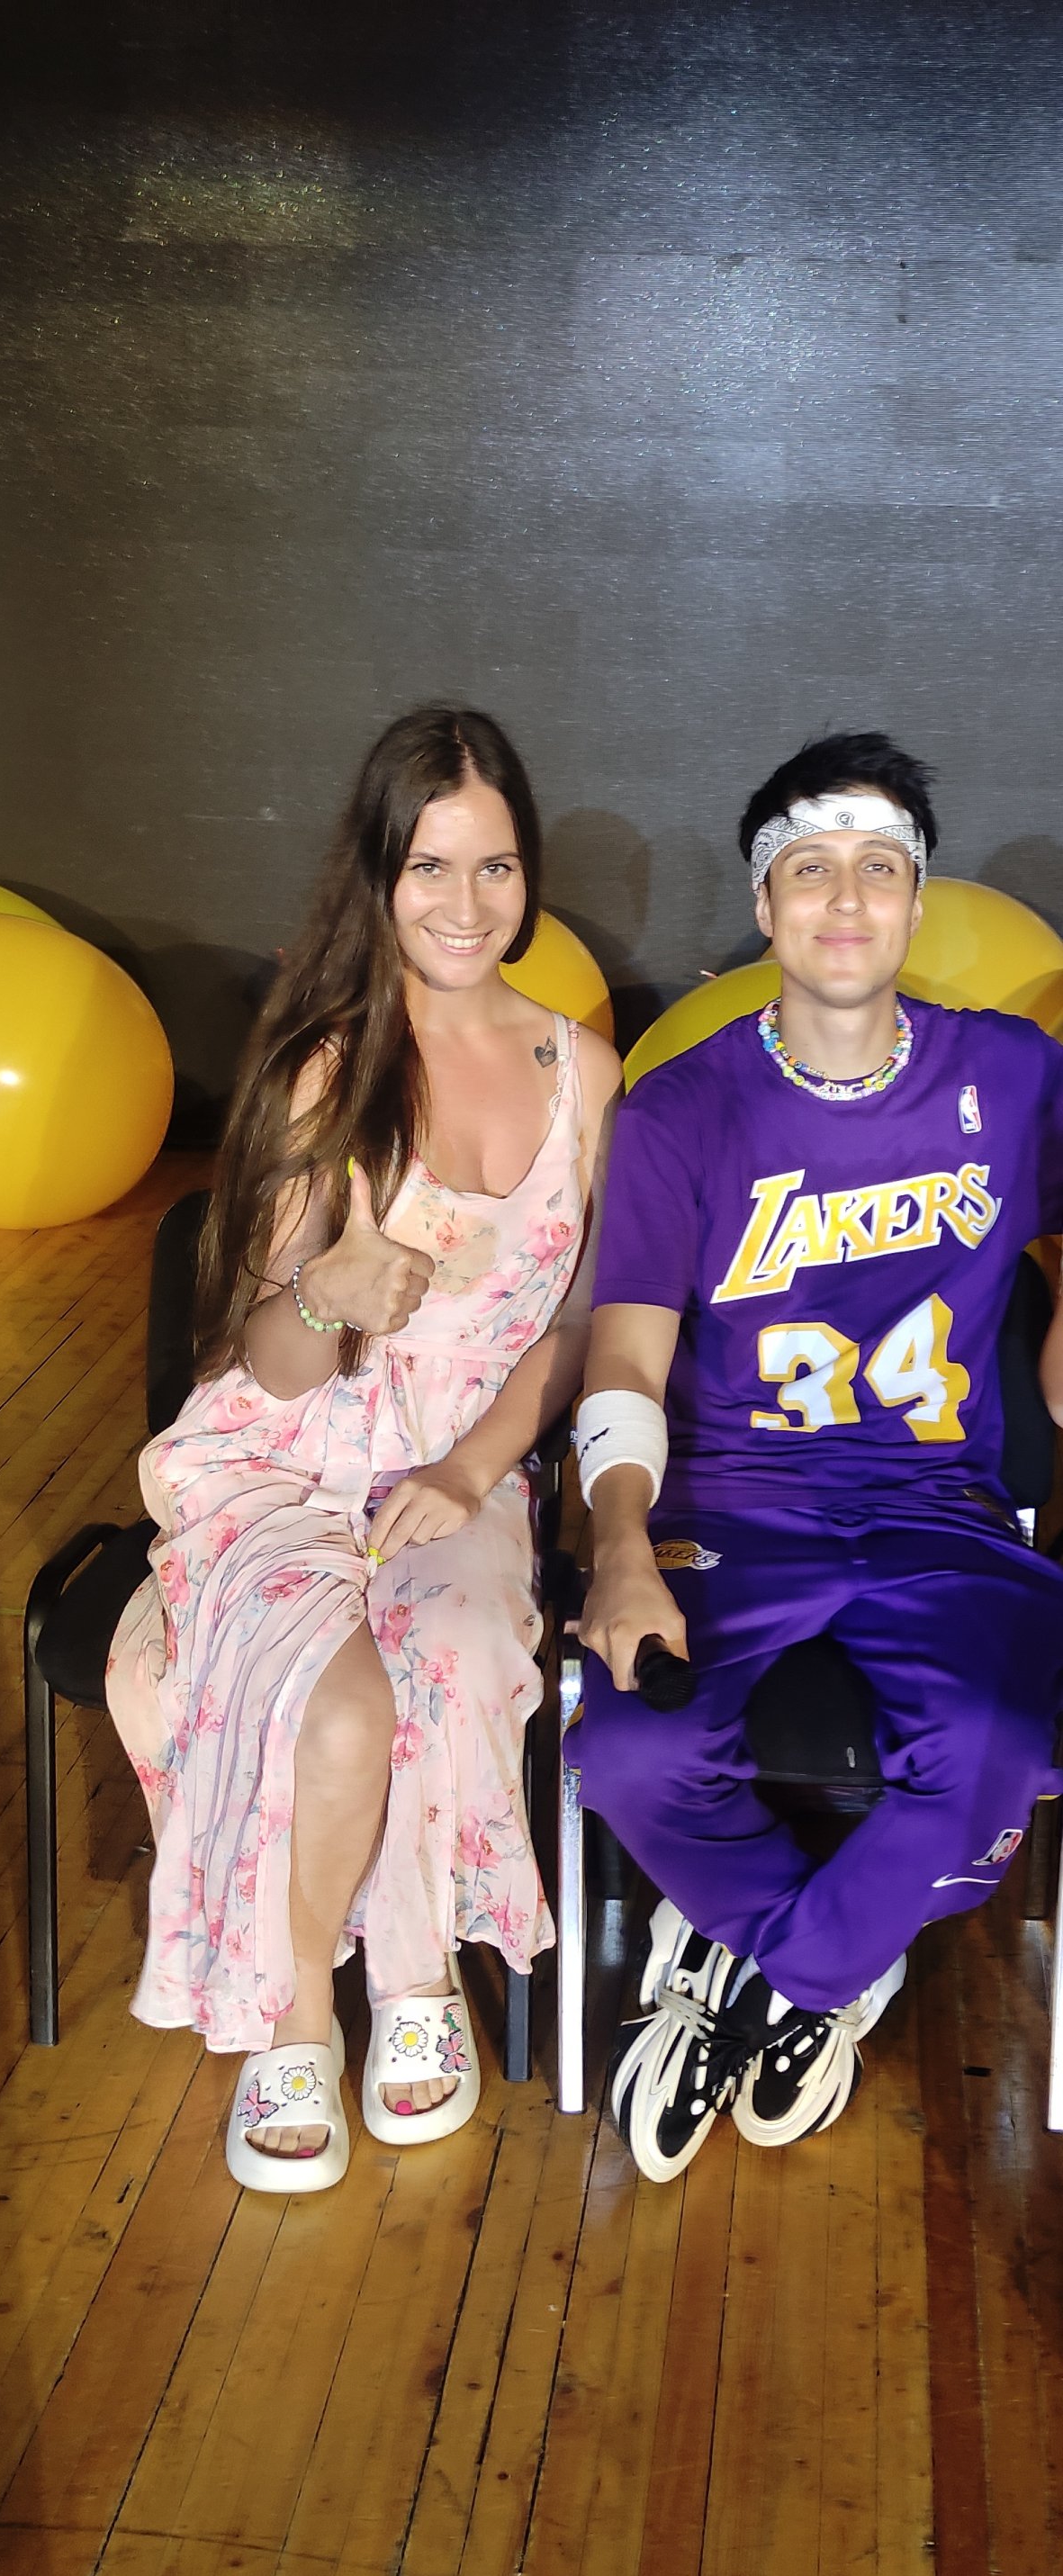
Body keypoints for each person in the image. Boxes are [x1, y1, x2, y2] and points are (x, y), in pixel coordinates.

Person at [107, 706, 622, 2193]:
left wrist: (468, 1472)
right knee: (338, 1713)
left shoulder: (585, 1074)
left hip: (461, 1466)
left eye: (496, 866)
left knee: (451, 1650)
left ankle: (414, 1982)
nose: (465, 903)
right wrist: (325, 1293)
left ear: (528, 875)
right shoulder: (323, 1071)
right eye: (430, 867)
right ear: (381, 875)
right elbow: (269, 1363)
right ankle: (298, 2022)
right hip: (280, 1461)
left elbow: (578, 1323)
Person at [575, 731, 1063, 2182]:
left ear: (915, 898)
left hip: (939, 1504)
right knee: (629, 1753)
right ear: (765, 902)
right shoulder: (678, 1109)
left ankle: (754, 1973)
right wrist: (617, 1548)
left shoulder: (1017, 1075)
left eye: (877, 867)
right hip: (735, 1501)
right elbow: (625, 1359)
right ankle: (840, 1961)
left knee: (1000, 1750)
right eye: (809, 869)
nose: (845, 899)